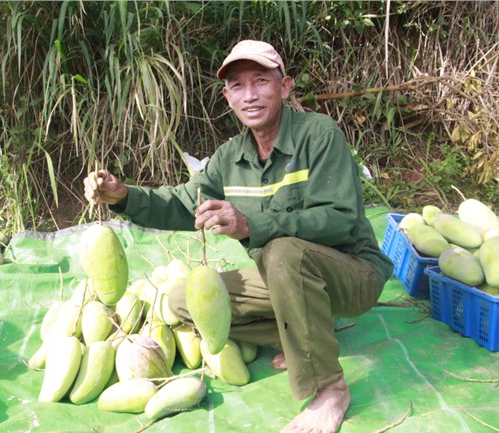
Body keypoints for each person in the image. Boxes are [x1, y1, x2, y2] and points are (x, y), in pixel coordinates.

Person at [84, 40, 393, 433]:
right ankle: (306, 336)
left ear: (285, 87)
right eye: (237, 85)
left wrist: (251, 224)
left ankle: (330, 389)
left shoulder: (319, 134)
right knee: (180, 301)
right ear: (227, 96)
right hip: (286, 279)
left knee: (280, 252)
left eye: (261, 81)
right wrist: (124, 195)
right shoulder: (230, 157)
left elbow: (339, 220)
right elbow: (183, 203)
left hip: (352, 274)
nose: (250, 95)